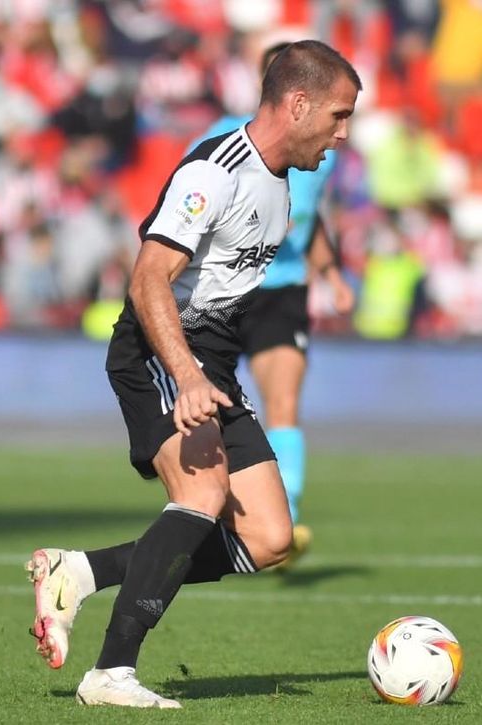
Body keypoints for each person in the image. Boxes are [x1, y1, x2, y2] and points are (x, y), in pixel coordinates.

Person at [23, 40, 361, 709]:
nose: (343, 133)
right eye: (338, 115)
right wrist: (185, 372)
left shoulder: (280, 182)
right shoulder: (216, 172)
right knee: (202, 495)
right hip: (161, 346)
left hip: (213, 359)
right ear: (297, 105)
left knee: (269, 537)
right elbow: (148, 277)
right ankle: (111, 671)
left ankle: (82, 571)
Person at [189, 41, 356, 567]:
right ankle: (216, 512)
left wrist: (330, 271)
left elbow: (310, 216)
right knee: (208, 408)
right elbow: (186, 209)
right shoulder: (222, 139)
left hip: (282, 289)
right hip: (224, 292)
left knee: (282, 405)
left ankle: (287, 517)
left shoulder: (322, 152)